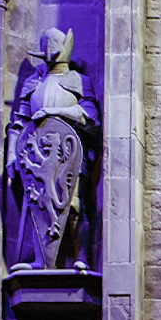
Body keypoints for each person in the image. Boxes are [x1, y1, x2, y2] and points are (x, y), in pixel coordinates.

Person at [6, 28, 100, 272]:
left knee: (75, 206)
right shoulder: (33, 83)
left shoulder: (79, 81)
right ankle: (42, 260)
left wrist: (55, 112)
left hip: (70, 153)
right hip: (37, 154)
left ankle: (82, 257)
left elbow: (90, 118)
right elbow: (19, 123)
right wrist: (11, 157)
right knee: (39, 206)